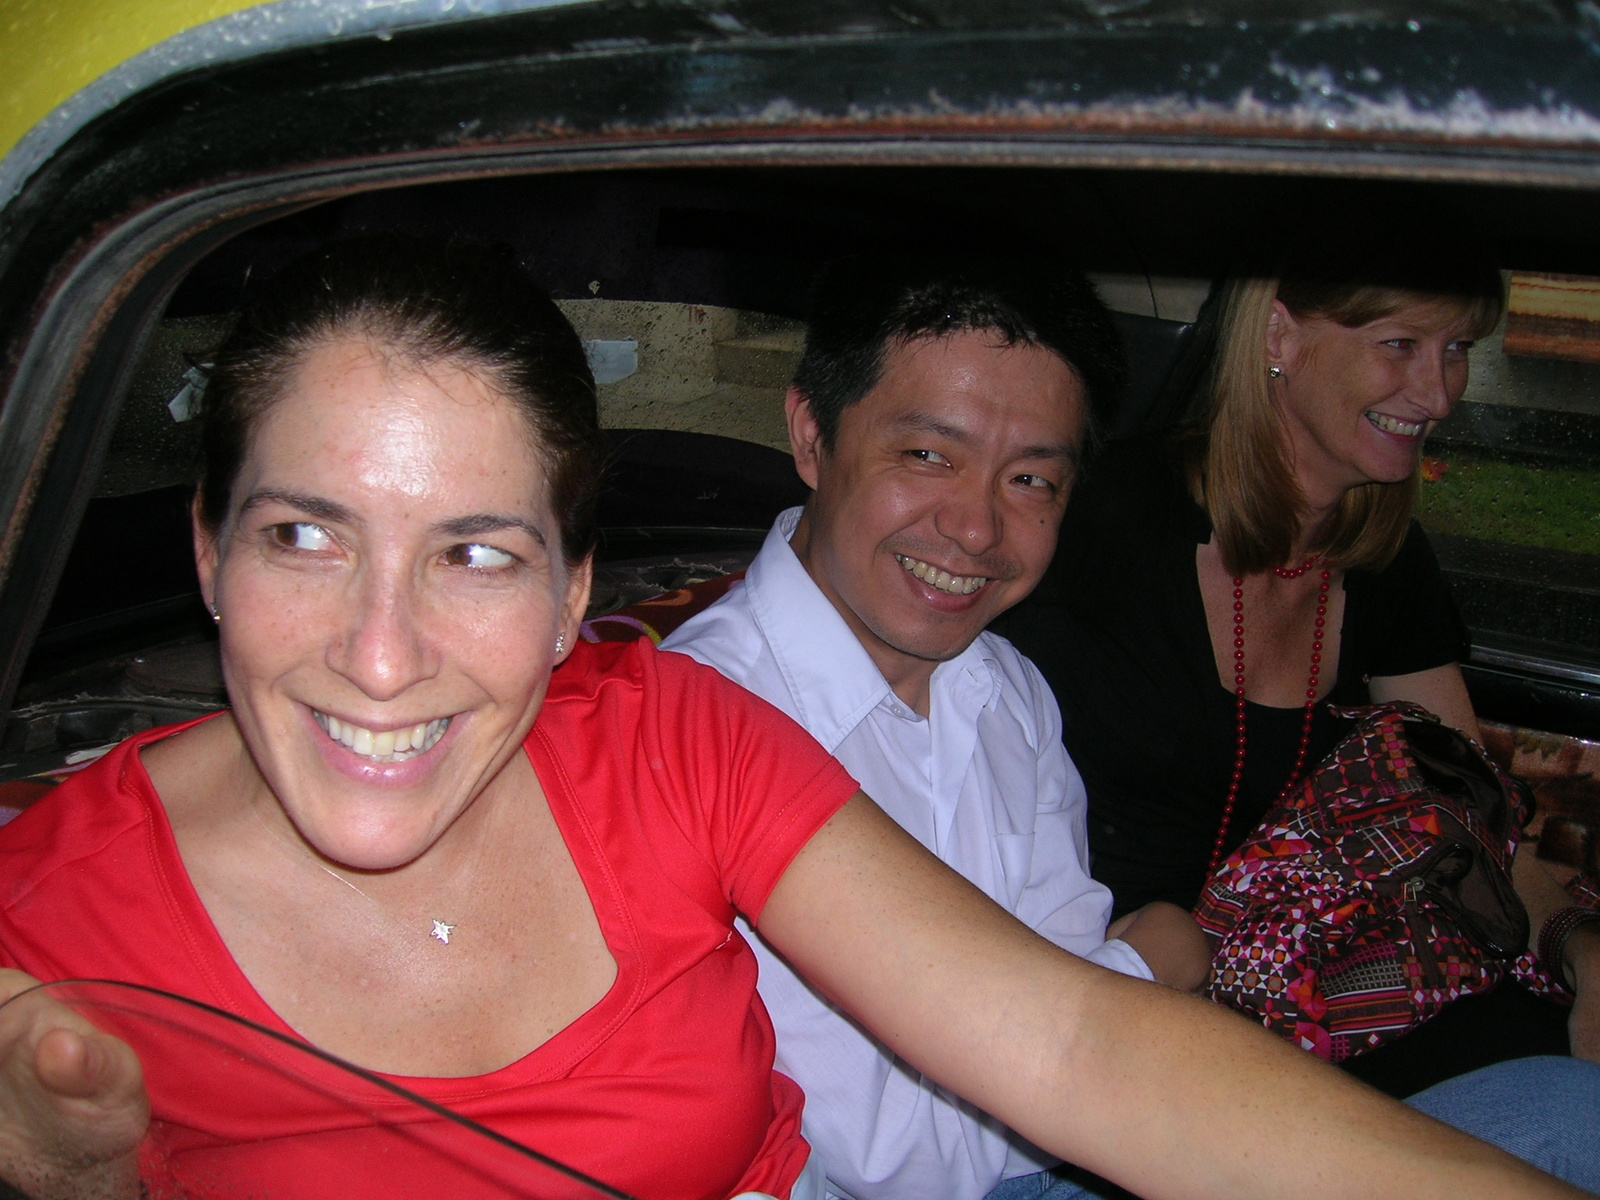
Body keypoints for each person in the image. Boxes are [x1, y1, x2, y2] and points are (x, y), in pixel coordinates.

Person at [0, 234, 1587, 1200]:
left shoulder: (683, 741)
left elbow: (1069, 1037)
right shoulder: (43, 917)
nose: (384, 651)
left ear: (572, 593)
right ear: (207, 549)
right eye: (305, 535)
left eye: (476, 552)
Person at [995, 209, 1600, 1093]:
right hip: (1125, 1013)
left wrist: (1581, 945)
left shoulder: (1388, 565)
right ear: (1280, 334)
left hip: (1330, 1004)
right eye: (1400, 345)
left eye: (1459, 351)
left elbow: (1471, 829)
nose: (1437, 396)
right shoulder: (1101, 525)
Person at [663, 252, 1210, 1200]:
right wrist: (1148, 962)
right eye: (927, 456)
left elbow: (1068, 983)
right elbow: (892, 1163)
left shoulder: (1008, 693)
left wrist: (1113, 991)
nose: (976, 529)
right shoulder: (696, 729)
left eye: (1032, 480)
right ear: (810, 434)